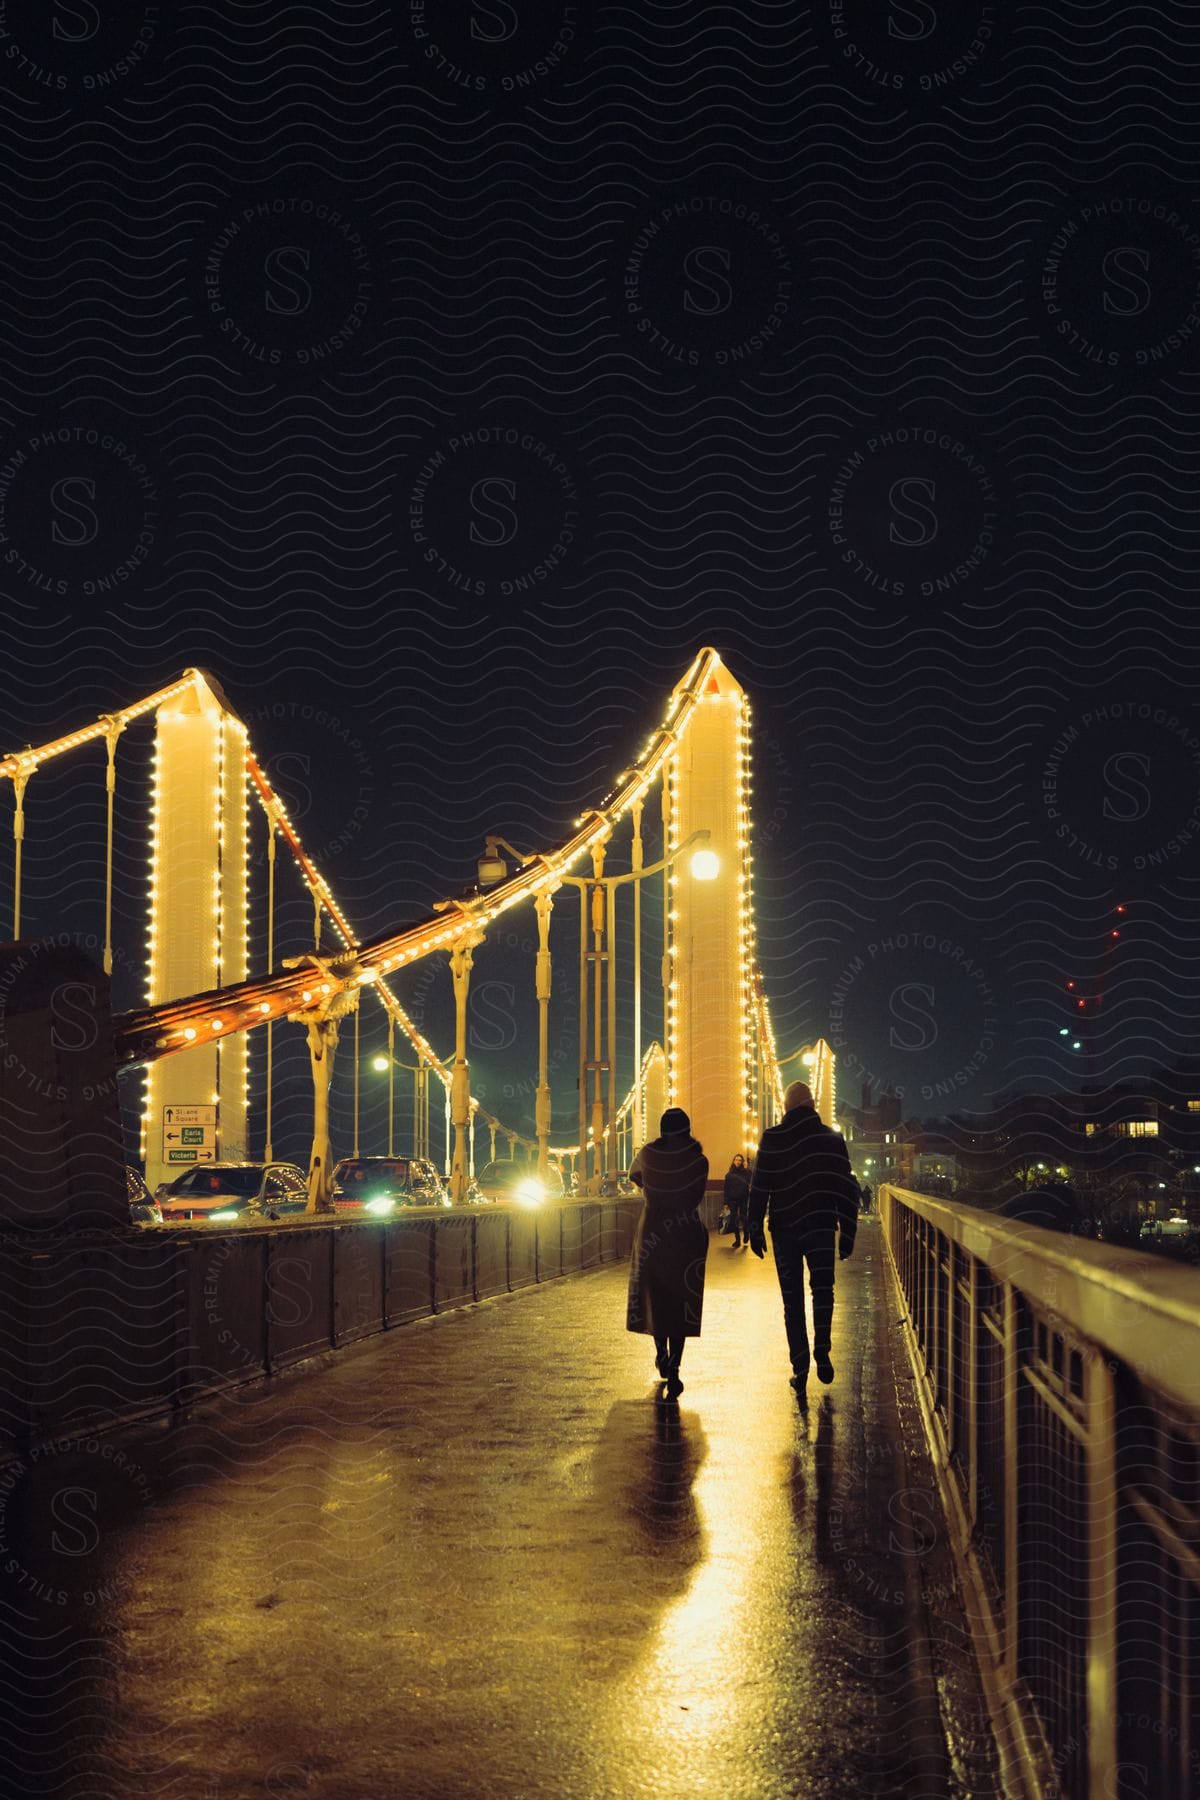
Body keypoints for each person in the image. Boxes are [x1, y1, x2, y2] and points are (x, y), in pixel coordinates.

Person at [748, 1081, 858, 1391]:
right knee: (823, 1290)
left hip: (785, 1230)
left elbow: (759, 1187)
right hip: (822, 1226)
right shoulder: (832, 1139)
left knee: (792, 1300)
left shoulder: (772, 1138)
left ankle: (801, 1367)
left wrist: (754, 1226)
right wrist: (847, 1231)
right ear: (812, 1106)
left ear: (785, 1107)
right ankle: (822, 1351)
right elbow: (846, 1189)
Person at [626, 1107, 709, 1400]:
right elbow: (697, 1195)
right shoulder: (699, 1161)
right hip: (686, 1235)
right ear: (688, 1130)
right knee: (680, 1301)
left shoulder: (648, 1155)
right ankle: (675, 1367)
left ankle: (661, 1353)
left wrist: (651, 1188)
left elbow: (633, 1174)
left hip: (653, 1233)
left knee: (656, 1299)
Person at [723, 1152, 752, 1248]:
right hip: (732, 1200)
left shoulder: (746, 1173)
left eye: (740, 1160)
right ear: (733, 1161)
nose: (738, 1162)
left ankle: (746, 1233)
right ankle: (737, 1239)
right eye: (736, 1160)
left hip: (743, 1199)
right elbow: (726, 1189)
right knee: (734, 1219)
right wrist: (726, 1202)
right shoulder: (729, 1175)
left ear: (742, 1162)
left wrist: (746, 1168)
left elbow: (750, 1179)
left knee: (744, 1217)